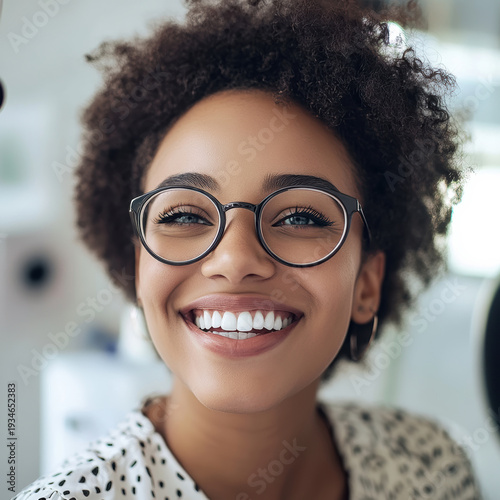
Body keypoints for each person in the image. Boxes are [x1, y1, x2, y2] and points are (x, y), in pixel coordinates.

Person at [14, 0, 482, 498]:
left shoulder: (432, 468)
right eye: (186, 216)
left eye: (301, 217)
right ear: (138, 267)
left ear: (366, 282)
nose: (235, 260)